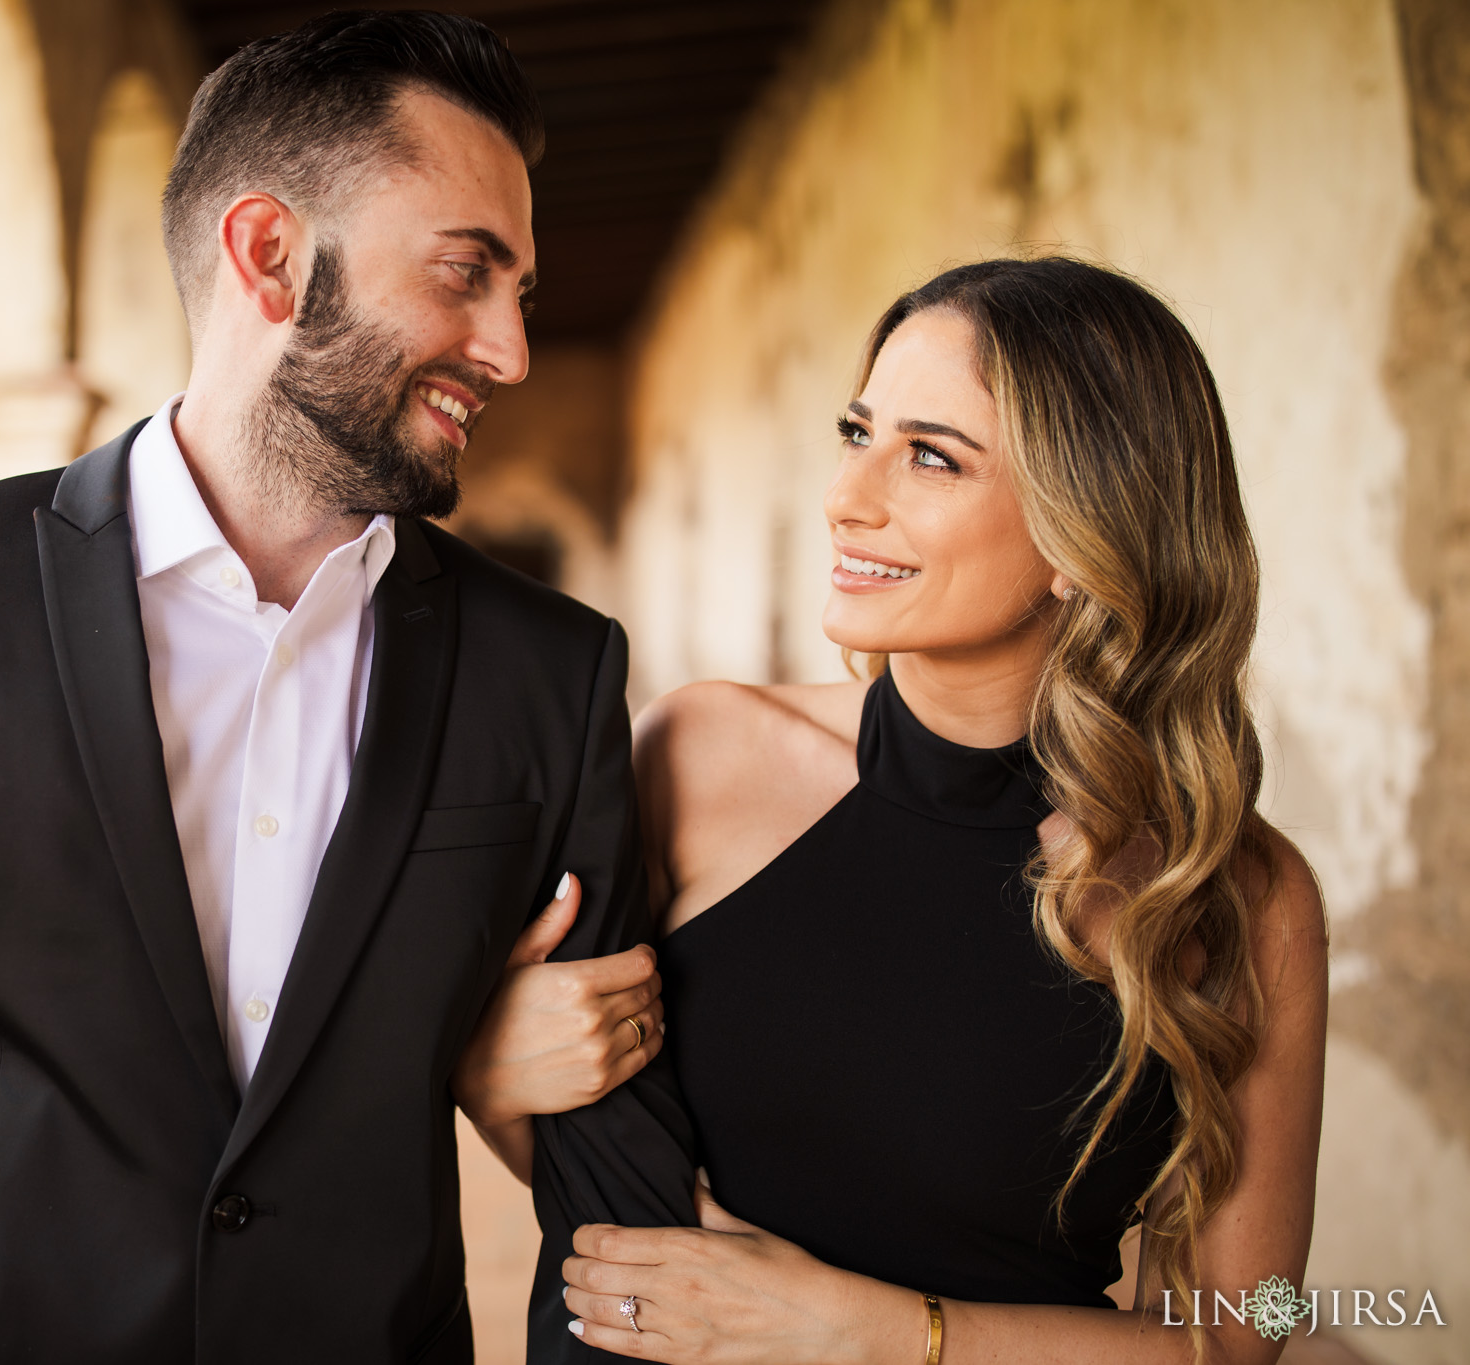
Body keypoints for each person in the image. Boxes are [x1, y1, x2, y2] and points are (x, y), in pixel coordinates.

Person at [0, 12, 665, 1362]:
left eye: (516, 294)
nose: (509, 349)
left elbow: (614, 1193)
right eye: (467, 273)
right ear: (271, 257)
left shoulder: (553, 670)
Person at [456, 258, 1329, 1363]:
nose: (844, 497)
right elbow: (592, 1162)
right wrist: (486, 1074)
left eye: (929, 457)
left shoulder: (1235, 896)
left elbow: (1245, 1336)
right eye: (854, 432)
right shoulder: (700, 756)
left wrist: (875, 1335)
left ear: (1080, 536)